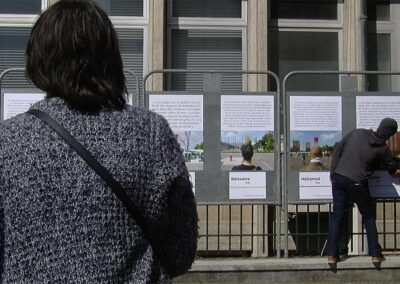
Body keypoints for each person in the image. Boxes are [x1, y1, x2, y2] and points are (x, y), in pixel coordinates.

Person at [0, 0, 198, 282]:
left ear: (37, 58)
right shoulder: (150, 133)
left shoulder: (7, 142)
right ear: (110, 58)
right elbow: (181, 251)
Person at [326, 118, 400, 265]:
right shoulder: (383, 149)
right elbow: (393, 171)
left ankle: (332, 255)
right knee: (368, 217)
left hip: (339, 178)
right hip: (358, 183)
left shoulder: (358, 133)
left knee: (338, 216)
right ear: (390, 134)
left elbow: (338, 148)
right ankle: (376, 254)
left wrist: (333, 172)